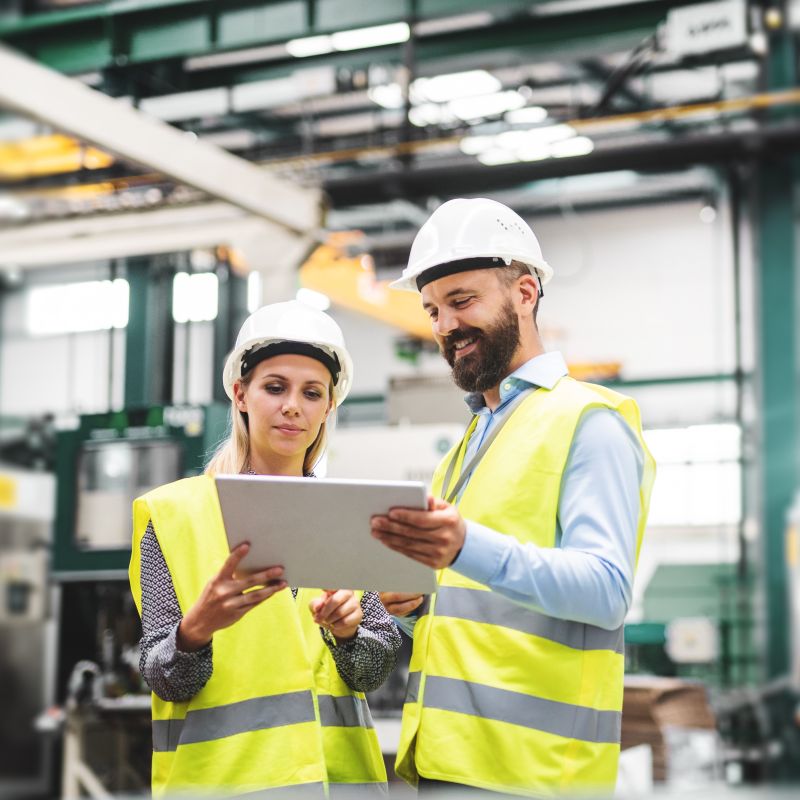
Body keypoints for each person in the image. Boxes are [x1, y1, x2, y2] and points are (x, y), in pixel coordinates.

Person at [371, 198, 656, 796]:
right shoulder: (468, 444)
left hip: (537, 774)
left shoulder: (590, 420)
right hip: (450, 762)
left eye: (462, 300)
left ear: (525, 293)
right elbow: (487, 600)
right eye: (432, 310)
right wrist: (422, 603)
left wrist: (462, 547)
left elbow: (606, 592)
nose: (445, 326)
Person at [129, 300, 399, 797]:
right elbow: (164, 679)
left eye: (311, 392)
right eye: (275, 387)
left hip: (336, 785)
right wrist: (194, 631)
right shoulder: (174, 516)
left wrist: (350, 634)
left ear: (328, 406)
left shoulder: (348, 514)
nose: (293, 405)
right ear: (241, 394)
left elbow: (373, 672)